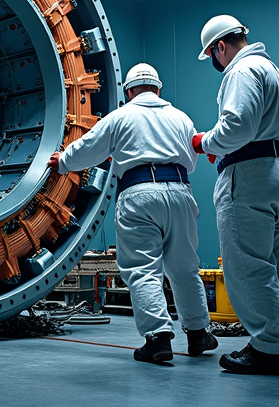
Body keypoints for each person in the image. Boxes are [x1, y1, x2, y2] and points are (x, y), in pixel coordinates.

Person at [49, 63, 217, 364]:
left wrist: (62, 161)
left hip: (139, 193)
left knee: (143, 268)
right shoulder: (181, 118)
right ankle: (198, 333)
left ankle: (158, 339)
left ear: (128, 92)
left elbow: (89, 148)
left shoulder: (121, 117)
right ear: (159, 88)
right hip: (180, 191)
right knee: (184, 267)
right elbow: (192, 161)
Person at [192, 14, 279, 375]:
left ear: (220, 46)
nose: (215, 62)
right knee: (275, 265)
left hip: (251, 176)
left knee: (246, 266)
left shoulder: (240, 72)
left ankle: (270, 349)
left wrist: (205, 142)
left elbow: (236, 126)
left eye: (212, 55)